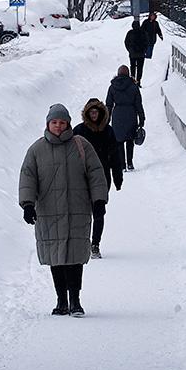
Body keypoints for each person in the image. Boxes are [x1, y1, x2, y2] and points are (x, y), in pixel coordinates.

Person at [20, 103, 108, 316]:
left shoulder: (81, 145)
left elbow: (96, 172)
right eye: (54, 122)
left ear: (68, 123)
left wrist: (98, 201)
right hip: (48, 211)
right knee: (56, 257)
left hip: (77, 209)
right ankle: (61, 301)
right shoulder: (36, 150)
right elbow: (27, 177)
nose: (58, 126)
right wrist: (28, 204)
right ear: (48, 124)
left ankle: (75, 301)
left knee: (76, 257)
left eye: (62, 122)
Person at [72, 98, 122, 259]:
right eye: (91, 112)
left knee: (99, 210)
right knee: (82, 212)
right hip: (82, 176)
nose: (94, 115)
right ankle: (83, 242)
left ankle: (95, 244)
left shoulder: (108, 131)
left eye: (96, 112)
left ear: (101, 113)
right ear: (87, 113)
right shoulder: (79, 131)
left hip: (102, 176)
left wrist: (117, 177)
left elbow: (115, 155)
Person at [106, 65, 145, 172]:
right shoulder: (133, 86)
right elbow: (138, 104)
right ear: (128, 74)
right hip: (131, 115)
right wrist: (142, 118)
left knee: (119, 141)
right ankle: (130, 163)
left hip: (117, 114)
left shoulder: (112, 87)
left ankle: (122, 165)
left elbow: (109, 104)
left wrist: (107, 118)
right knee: (129, 140)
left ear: (118, 74)